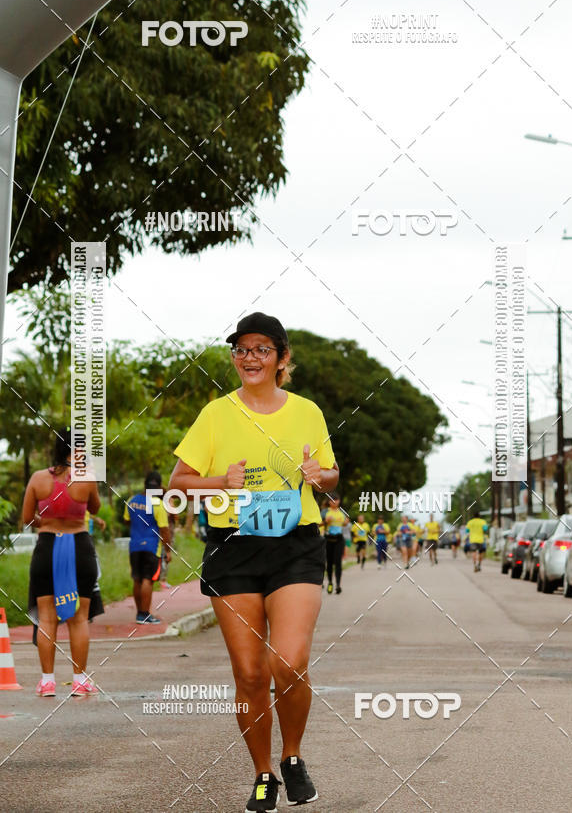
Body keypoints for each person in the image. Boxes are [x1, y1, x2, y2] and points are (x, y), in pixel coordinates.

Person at [168, 312, 339, 812]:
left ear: (282, 359)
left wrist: (319, 476)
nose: (250, 358)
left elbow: (331, 476)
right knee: (247, 673)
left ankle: (293, 756)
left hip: (296, 546)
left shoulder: (307, 412)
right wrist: (220, 482)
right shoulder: (216, 414)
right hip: (233, 547)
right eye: (242, 349)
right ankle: (263, 773)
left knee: (288, 661)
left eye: (262, 349)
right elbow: (179, 481)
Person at [21, 427, 102, 697]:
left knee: (47, 618)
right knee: (79, 619)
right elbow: (95, 508)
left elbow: (26, 518)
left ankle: (47, 682)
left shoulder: (38, 478)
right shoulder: (87, 478)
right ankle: (79, 681)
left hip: (47, 546)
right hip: (79, 547)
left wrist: (45, 521)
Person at [124, 471, 171, 623]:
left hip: (134, 546)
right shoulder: (158, 505)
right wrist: (168, 550)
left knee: (137, 579)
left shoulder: (131, 500)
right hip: (152, 546)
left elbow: (126, 520)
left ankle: (140, 613)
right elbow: (164, 530)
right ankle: (145, 614)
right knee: (148, 580)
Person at [324, 493, 345, 594]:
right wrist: (325, 521)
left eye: (336, 500)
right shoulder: (325, 511)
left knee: (338, 563)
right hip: (328, 539)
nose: (334, 502)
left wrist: (346, 523)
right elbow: (318, 522)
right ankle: (330, 583)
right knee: (329, 563)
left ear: (339, 501)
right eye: (332, 500)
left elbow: (345, 523)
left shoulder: (342, 512)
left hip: (339, 540)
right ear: (329, 502)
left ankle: (338, 585)